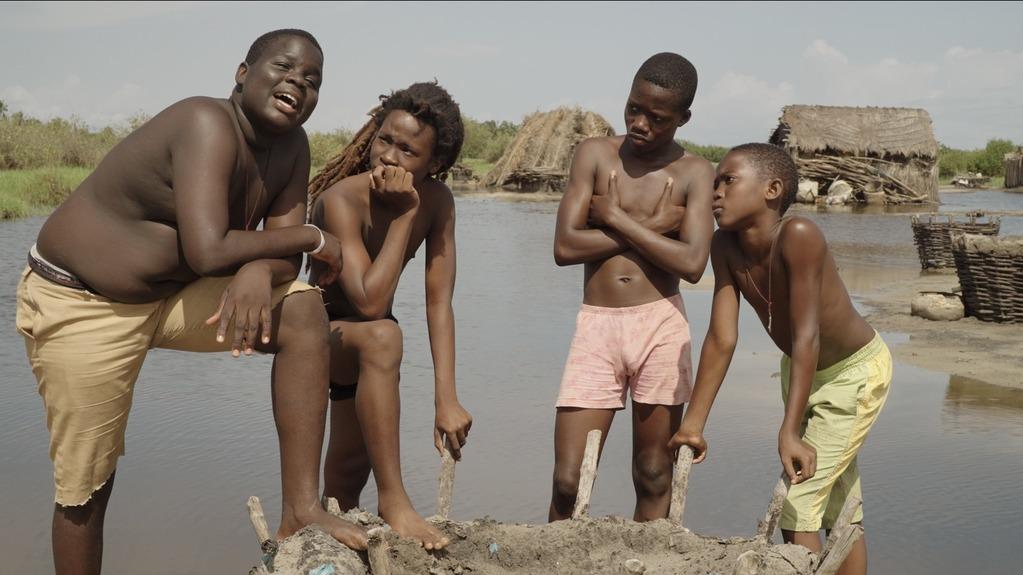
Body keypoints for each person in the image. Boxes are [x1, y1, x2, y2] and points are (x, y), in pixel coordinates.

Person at [15, 29, 368, 574]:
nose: (298, 81)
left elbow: (274, 262)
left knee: (301, 310)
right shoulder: (205, 121)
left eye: (313, 79)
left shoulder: (293, 148)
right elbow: (211, 249)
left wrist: (257, 268)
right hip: (82, 300)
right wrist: (309, 238)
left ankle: (302, 509)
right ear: (243, 74)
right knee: (87, 486)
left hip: (171, 295)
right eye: (284, 67)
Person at [670, 143, 892, 574]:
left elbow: (807, 334)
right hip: (801, 370)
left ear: (771, 190)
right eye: (714, 182)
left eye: (729, 180)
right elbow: (721, 337)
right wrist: (693, 424)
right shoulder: (725, 246)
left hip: (853, 373)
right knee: (836, 503)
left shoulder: (800, 235)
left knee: (800, 500)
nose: (715, 192)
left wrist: (789, 431)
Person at [548, 52, 715, 522]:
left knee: (654, 472)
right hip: (597, 326)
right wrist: (654, 227)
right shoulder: (595, 154)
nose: (640, 123)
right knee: (568, 480)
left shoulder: (695, 173)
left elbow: (692, 263)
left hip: (660, 324)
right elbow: (564, 246)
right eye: (633, 109)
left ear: (684, 118)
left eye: (657, 118)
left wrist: (617, 216)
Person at [306, 81, 472, 550]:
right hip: (319, 338)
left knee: (346, 472)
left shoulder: (439, 202)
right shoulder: (342, 200)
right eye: (385, 140)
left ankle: (328, 546)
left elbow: (439, 302)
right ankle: (395, 502)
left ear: (434, 164)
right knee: (383, 334)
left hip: (363, 356)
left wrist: (447, 398)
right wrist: (404, 216)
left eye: (408, 151)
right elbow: (369, 302)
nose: (389, 158)